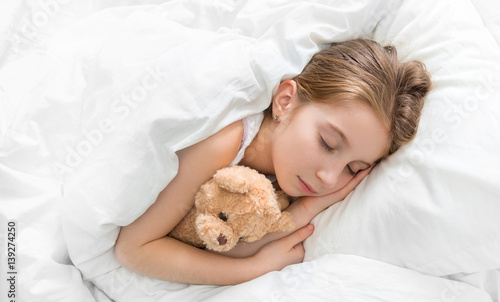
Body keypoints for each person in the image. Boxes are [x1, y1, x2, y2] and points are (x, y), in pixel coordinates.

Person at [114, 39, 431, 285]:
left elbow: (219, 242)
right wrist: (252, 270)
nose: (330, 178)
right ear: (285, 101)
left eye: (354, 167)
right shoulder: (224, 142)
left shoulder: (287, 177)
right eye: (328, 143)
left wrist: (306, 210)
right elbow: (135, 249)